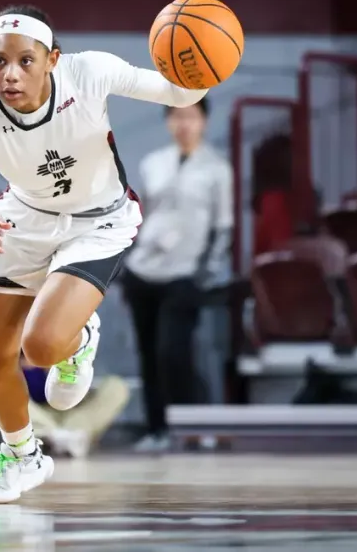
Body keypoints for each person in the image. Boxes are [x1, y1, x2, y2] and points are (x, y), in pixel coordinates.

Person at [0, 4, 201, 503]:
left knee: (39, 349)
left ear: (53, 59)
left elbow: (176, 91)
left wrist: (204, 68)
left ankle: (78, 338)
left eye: (25, 61)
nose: (10, 74)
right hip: (24, 221)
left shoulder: (90, 72)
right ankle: (22, 457)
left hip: (99, 221)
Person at [121, 97, 232, 453]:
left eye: (192, 117)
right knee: (149, 354)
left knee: (175, 352)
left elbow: (223, 227)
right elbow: (142, 215)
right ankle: (158, 429)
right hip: (143, 270)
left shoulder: (217, 169)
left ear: (204, 121)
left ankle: (193, 426)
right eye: (177, 116)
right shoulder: (153, 163)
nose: (184, 124)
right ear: (168, 121)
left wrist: (207, 271)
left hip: (185, 273)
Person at [0, 358, 130, 459]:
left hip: (72, 412)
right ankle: (59, 438)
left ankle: (69, 436)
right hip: (35, 413)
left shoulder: (57, 331)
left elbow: (79, 385)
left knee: (116, 387)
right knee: (4, 393)